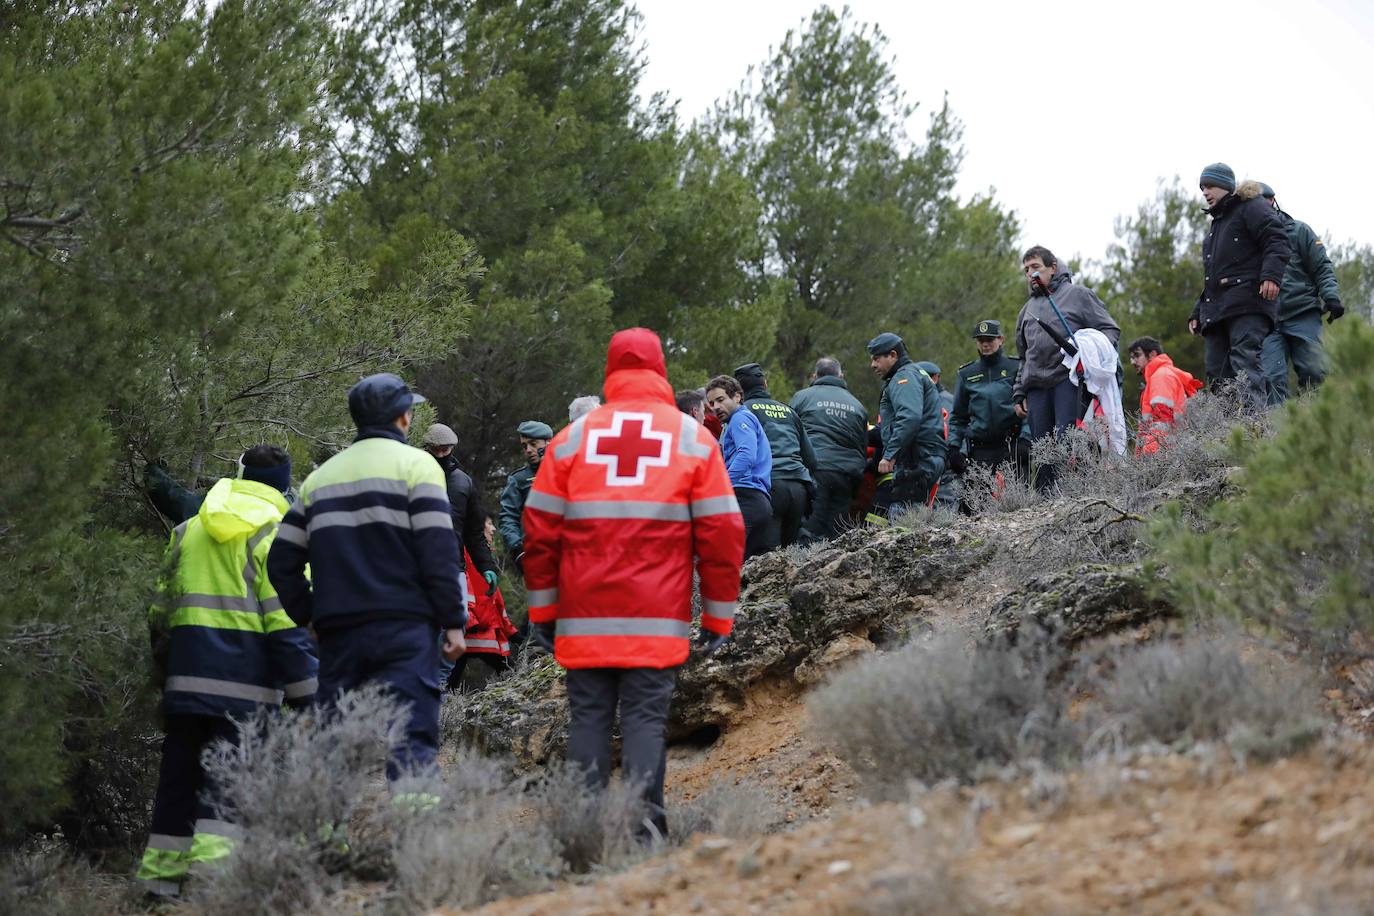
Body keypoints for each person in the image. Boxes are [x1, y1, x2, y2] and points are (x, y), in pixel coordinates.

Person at [522, 327, 745, 840]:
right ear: (659, 368)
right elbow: (723, 531)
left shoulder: (569, 440)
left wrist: (542, 611)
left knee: (589, 719)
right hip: (656, 616)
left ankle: (585, 835)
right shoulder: (692, 438)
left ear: (611, 369)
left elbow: (538, 532)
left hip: (582, 614)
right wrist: (717, 614)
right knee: (645, 719)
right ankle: (646, 835)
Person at [138, 446, 317, 898]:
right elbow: (286, 620)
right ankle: (213, 890)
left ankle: (159, 887)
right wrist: (306, 693)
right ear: (284, 483)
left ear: (238, 475)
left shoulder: (188, 530)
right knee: (230, 784)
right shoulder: (277, 534)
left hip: (185, 678)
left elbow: (159, 613)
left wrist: (166, 676)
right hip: (246, 685)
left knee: (178, 782)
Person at [267, 373, 466, 780]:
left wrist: (309, 617)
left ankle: (331, 836)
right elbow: (439, 551)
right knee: (410, 739)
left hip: (339, 633)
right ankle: (416, 835)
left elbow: (281, 561)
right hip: (406, 628)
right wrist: (453, 620)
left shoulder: (321, 478)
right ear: (403, 418)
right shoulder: (419, 466)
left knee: (336, 743)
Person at [1189, 164, 1291, 409]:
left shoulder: (1250, 206)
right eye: (1202, 187)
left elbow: (1277, 239)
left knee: (1245, 365)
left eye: (1210, 185)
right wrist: (1197, 311)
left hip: (1247, 303)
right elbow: (1212, 277)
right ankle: (1227, 437)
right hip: (1218, 312)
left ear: (1226, 185)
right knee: (1217, 374)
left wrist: (1271, 276)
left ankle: (1254, 432)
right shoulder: (1216, 226)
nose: (1205, 192)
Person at [1013, 245, 1121, 440]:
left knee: (1070, 450)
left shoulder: (1079, 295)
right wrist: (1019, 393)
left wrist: (1090, 352)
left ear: (1053, 267)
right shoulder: (1026, 311)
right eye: (1026, 269)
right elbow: (1023, 357)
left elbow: (1110, 331)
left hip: (1070, 383)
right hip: (1036, 389)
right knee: (1044, 456)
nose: (1030, 273)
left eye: (1035, 266)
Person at [421, 422, 496, 686]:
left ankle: (438, 694)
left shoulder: (463, 482)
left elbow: (474, 532)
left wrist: (486, 565)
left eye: (446, 450)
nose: (442, 455)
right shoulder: (412, 478)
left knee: (453, 634)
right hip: (416, 570)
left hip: (454, 569)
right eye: (436, 450)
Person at [1257, 183, 1344, 404]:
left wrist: (1331, 296)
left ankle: (1315, 424)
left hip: (1302, 312)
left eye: (1263, 202)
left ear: (1272, 201)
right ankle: (1275, 433)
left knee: (1315, 372)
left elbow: (1322, 267)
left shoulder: (1299, 231)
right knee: (1271, 379)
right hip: (1267, 321)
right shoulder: (1247, 239)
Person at [733, 363, 817, 548]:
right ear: (765, 384)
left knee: (765, 558)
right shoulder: (789, 411)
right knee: (790, 556)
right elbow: (811, 459)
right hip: (799, 487)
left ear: (738, 392)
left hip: (768, 488)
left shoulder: (742, 413)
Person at [867, 332, 945, 517]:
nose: (873, 365)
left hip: (917, 459)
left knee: (903, 519)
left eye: (877, 359)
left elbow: (909, 417)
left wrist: (889, 455)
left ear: (893, 355)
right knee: (914, 517)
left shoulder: (904, 377)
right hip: (923, 457)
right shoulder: (912, 374)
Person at [789, 357, 867, 541]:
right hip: (847, 474)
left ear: (814, 375)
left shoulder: (802, 397)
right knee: (838, 534)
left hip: (816, 469)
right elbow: (862, 445)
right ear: (841, 375)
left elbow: (789, 432)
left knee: (809, 529)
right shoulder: (857, 405)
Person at [948, 320, 1028, 480]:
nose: (985, 344)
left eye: (990, 340)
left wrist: (1026, 440)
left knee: (1018, 502)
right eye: (981, 340)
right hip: (980, 451)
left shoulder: (1016, 367)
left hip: (1012, 447)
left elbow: (1028, 406)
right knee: (979, 502)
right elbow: (958, 416)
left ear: (1001, 339)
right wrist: (953, 447)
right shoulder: (967, 373)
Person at [705, 375, 773, 558]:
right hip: (759, 501)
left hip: (744, 498)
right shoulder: (736, 422)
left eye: (720, 400)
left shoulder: (739, 418)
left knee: (726, 561)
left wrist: (723, 485)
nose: (716, 407)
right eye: (711, 403)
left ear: (737, 396)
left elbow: (746, 455)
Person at [447, 515, 516, 691]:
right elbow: (463, 588)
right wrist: (468, 621)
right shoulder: (467, 556)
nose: (493, 529)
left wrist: (511, 632)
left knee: (449, 683)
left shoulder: (484, 560)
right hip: (471, 631)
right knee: (448, 682)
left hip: (480, 631)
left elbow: (494, 601)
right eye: (489, 524)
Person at [1127, 337, 1203, 455]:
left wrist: (1149, 457)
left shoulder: (1160, 377)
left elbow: (1162, 423)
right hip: (1175, 451)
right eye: (1131, 357)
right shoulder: (1161, 375)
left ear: (1152, 354)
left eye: (1137, 355)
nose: (1132, 361)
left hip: (1166, 455)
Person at [497, 420, 553, 574]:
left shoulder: (566, 468)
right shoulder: (519, 479)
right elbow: (508, 517)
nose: (528, 450)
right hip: (538, 557)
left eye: (533, 444)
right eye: (524, 446)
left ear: (548, 442)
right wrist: (518, 550)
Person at [916, 360, 959, 511]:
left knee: (944, 515)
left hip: (946, 471)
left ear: (934, 378)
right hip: (920, 469)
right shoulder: (916, 400)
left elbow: (956, 430)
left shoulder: (947, 401)